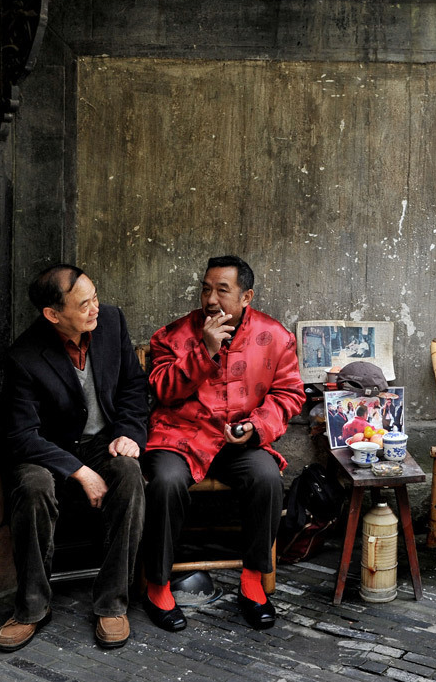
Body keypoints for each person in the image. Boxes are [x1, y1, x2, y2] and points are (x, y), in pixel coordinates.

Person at [141, 255, 305, 632]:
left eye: (222, 290)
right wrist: (205, 351)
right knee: (165, 483)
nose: (210, 299)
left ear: (245, 296)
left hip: (237, 439)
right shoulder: (172, 336)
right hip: (181, 435)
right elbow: (162, 390)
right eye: (205, 288)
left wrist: (257, 425)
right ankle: (157, 586)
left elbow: (289, 395)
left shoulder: (275, 337)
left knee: (266, 478)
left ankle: (252, 583)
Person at [0, 265, 148, 652]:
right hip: (48, 449)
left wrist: (129, 433)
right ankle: (31, 608)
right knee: (32, 486)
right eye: (84, 304)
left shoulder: (111, 321)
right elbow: (21, 436)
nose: (96, 307)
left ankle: (112, 603)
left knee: (128, 472)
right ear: (53, 314)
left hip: (101, 440)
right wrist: (79, 471)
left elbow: (133, 387)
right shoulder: (24, 356)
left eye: (95, 296)